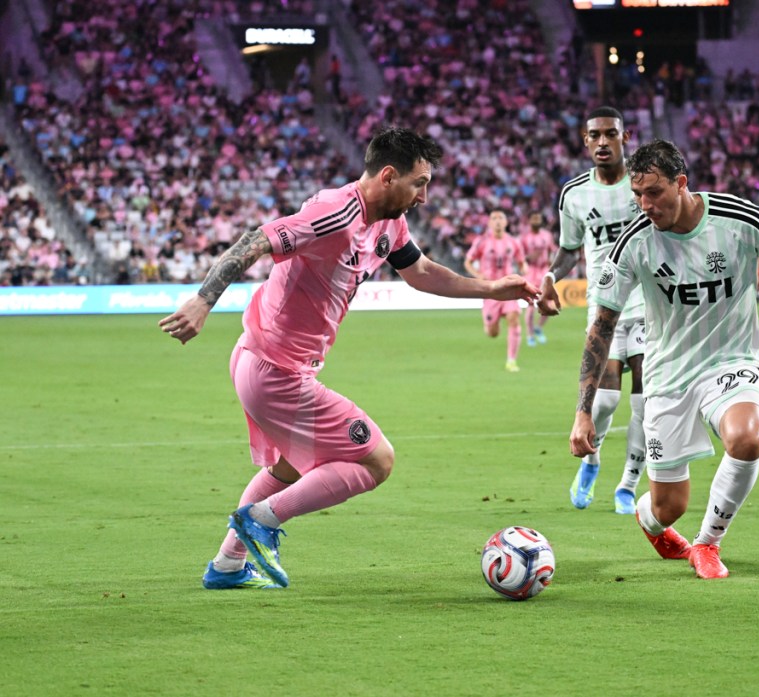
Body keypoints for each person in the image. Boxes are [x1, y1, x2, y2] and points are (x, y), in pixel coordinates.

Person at [159, 128, 538, 590]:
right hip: (275, 372)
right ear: (387, 176)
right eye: (419, 182)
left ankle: (226, 567)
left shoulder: (388, 220)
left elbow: (419, 272)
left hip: (264, 362)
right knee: (377, 460)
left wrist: (492, 288)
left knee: (289, 469)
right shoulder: (334, 213)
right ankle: (261, 521)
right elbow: (253, 241)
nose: (423, 195)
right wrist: (202, 301)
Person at [570, 139, 759, 579]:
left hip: (732, 362)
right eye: (637, 195)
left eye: (654, 193)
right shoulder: (633, 241)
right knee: (668, 508)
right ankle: (649, 521)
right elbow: (602, 326)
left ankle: (708, 543)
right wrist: (583, 411)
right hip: (667, 375)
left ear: (681, 183)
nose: (645, 204)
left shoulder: (740, 219)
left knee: (747, 438)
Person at [538, 106, 647, 515]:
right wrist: (550, 276)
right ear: (586, 142)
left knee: (644, 402)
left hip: (650, 301)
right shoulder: (574, 194)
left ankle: (628, 485)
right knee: (602, 403)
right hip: (604, 305)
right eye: (595, 136)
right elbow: (569, 247)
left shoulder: (644, 182)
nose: (603, 142)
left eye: (610, 134)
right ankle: (591, 460)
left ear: (624, 136)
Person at [464, 209, 528, 372]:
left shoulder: (514, 242)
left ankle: (511, 361)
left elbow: (522, 262)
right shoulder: (482, 241)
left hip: (508, 288)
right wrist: (478, 275)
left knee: (514, 318)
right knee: (492, 333)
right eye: (494, 218)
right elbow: (468, 262)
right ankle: (491, 323)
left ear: (506, 222)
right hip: (490, 290)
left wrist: (524, 270)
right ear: (490, 223)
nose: (498, 221)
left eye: (501, 218)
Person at [520, 210, 558, 347]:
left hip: (544, 272)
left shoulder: (547, 235)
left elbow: (552, 251)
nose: (536, 220)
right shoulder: (524, 238)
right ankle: (530, 335)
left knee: (550, 304)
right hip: (530, 272)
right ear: (529, 221)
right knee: (530, 306)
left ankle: (538, 327)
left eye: (538, 218)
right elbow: (520, 258)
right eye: (534, 218)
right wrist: (529, 258)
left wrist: (551, 264)